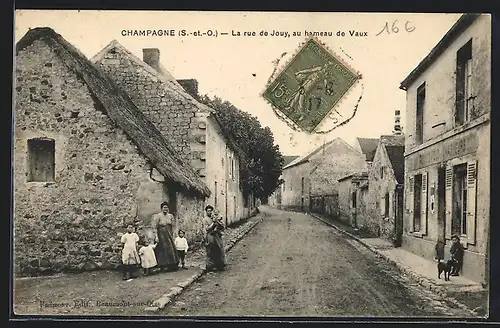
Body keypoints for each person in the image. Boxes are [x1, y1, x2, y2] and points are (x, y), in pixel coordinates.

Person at [151, 202, 180, 271]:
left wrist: (174, 234)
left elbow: (173, 226)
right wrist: (156, 236)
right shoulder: (158, 216)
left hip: (169, 234)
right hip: (161, 234)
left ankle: (172, 264)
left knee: (171, 248)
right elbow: (155, 227)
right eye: (164, 207)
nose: (165, 209)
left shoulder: (170, 216)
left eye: (167, 207)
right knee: (162, 248)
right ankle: (163, 265)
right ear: (161, 208)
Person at [202, 205, 227, 272]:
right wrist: (213, 223)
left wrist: (218, 222)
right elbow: (207, 228)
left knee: (219, 249)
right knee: (210, 250)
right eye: (208, 211)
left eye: (210, 211)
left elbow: (222, 226)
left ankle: (219, 265)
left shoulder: (215, 217)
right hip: (210, 235)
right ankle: (210, 266)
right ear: (206, 212)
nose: (209, 212)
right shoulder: (205, 219)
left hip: (217, 235)